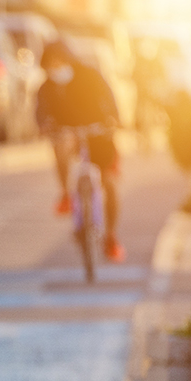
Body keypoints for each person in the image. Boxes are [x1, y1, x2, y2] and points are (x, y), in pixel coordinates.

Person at [36, 40, 125, 263]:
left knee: (109, 183)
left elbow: (108, 97)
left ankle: (111, 236)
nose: (55, 69)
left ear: (68, 59)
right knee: (60, 146)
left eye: (58, 63)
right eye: (50, 65)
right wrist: (44, 125)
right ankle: (66, 194)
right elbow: (41, 110)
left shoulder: (90, 75)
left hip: (98, 134)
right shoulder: (47, 86)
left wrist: (114, 118)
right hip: (68, 134)